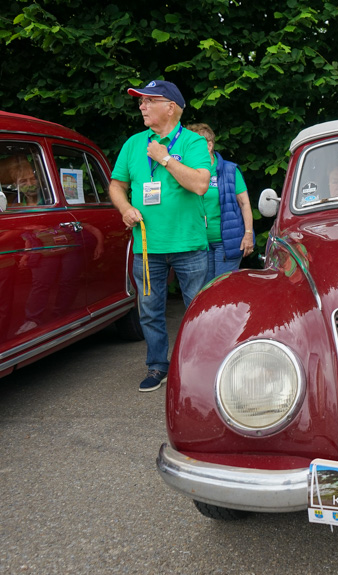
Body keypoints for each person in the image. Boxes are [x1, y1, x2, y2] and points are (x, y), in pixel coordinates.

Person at [108, 80, 211, 392]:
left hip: (189, 244)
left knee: (197, 312)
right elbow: (116, 185)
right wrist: (125, 208)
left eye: (148, 100)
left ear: (170, 107)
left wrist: (165, 158)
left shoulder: (192, 143)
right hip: (147, 244)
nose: (141, 106)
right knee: (150, 311)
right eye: (140, 101)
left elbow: (199, 184)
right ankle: (156, 366)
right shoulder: (133, 144)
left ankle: (197, 369)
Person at [186, 123, 254, 282]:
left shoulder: (230, 170)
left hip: (226, 242)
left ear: (209, 145)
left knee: (223, 289)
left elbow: (244, 204)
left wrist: (248, 234)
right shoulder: (187, 172)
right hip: (199, 244)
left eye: (194, 144)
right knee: (205, 291)